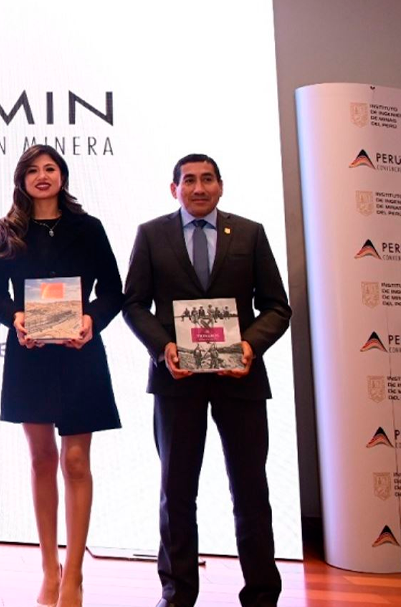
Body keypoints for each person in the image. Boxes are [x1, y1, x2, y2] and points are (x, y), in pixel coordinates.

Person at [122, 154, 292, 607]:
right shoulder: (151, 234)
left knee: (250, 489)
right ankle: (177, 593)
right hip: (176, 380)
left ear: (220, 185)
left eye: (207, 179)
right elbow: (134, 304)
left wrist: (249, 347)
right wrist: (163, 348)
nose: (198, 188)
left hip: (241, 379)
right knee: (176, 491)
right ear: (174, 188)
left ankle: (262, 594)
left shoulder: (250, 233)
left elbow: (277, 307)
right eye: (189, 180)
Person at [0, 146, 122, 607]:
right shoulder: (8, 231)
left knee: (77, 462)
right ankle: (50, 570)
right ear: (21, 179)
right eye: (33, 170)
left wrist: (91, 320)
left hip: (80, 353)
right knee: (42, 459)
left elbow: (114, 291)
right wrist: (15, 317)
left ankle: (75, 575)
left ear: (62, 175)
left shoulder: (89, 228)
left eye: (50, 169)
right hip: (31, 356)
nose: (42, 176)